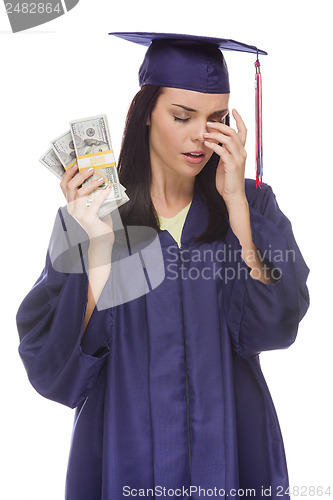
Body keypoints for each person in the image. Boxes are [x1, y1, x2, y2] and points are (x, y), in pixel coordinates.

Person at [16, 33, 310, 500]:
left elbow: (277, 327)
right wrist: (97, 249)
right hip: (123, 455)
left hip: (230, 454)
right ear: (145, 112)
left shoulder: (254, 206)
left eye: (216, 120)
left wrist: (240, 215)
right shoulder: (92, 215)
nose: (200, 135)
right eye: (181, 116)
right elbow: (54, 370)